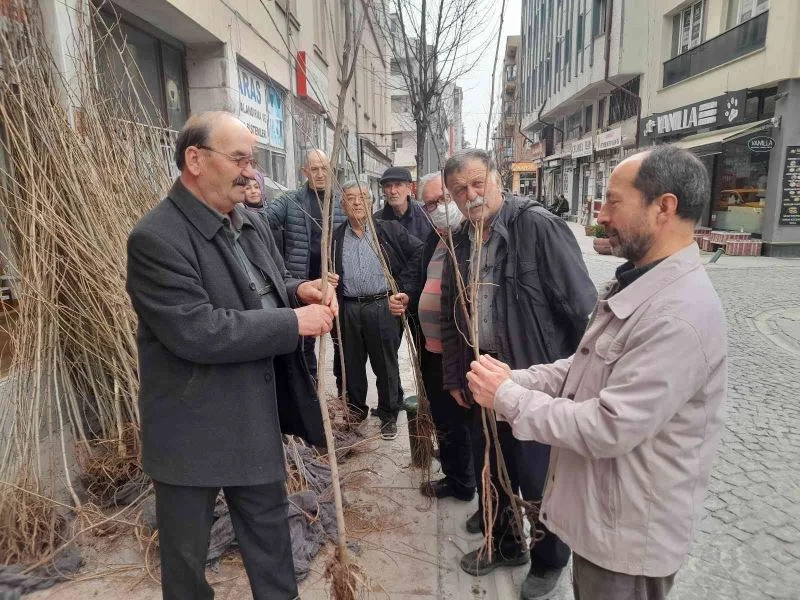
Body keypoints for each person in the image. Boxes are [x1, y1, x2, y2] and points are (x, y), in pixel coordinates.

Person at [467, 145, 727, 600]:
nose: (600, 215)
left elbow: (610, 425)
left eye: (612, 201)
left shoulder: (677, 314)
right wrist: (518, 379)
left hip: (627, 539)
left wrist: (509, 397)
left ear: (663, 207)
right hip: (604, 520)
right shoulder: (642, 282)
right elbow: (585, 364)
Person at [126, 111, 337, 600]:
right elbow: (198, 329)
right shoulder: (156, 238)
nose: (251, 171)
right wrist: (292, 323)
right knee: (185, 561)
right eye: (239, 158)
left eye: (253, 160)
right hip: (190, 425)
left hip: (250, 414)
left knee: (270, 540)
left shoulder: (248, 221)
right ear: (194, 160)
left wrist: (297, 290)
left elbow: (259, 285)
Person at [440, 149, 597, 599]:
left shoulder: (536, 226)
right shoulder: (461, 240)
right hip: (482, 375)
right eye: (459, 191)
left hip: (533, 375)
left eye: (477, 184)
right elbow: (455, 314)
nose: (471, 196)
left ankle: (550, 559)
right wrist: (455, 376)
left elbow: (582, 309)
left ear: (497, 178)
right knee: (492, 467)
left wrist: (577, 382)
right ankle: (506, 544)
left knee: (538, 476)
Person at [333, 179, 423, 440]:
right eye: (351, 198)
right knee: (350, 365)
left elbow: (419, 252)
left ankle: (388, 414)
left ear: (371, 202)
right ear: (342, 205)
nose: (357, 202)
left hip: (382, 305)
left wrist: (402, 288)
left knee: (386, 365)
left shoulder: (388, 230)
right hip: (348, 308)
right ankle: (355, 412)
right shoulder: (335, 237)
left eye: (362, 197)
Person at [413, 172, 475, 502]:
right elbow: (423, 281)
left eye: (443, 199)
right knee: (444, 418)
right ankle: (455, 475)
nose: (437, 208)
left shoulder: (470, 239)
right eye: (430, 203)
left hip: (460, 352)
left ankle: (466, 484)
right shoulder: (435, 239)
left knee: (461, 420)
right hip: (433, 350)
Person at [268, 149, 347, 382]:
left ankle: (347, 397)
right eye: (314, 169)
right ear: (305, 171)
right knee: (305, 342)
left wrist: (340, 272)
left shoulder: (343, 201)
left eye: (325, 168)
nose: (320, 174)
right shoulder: (291, 201)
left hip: (336, 284)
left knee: (342, 343)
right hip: (303, 283)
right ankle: (310, 389)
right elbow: (262, 221)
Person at [375, 166, 434, 242]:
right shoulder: (377, 219)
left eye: (398, 185)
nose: (393, 191)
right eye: (388, 186)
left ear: (409, 187)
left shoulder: (426, 215)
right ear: (384, 190)